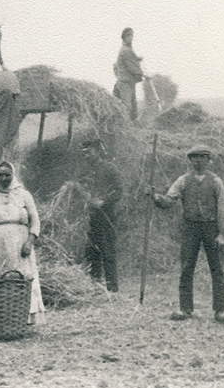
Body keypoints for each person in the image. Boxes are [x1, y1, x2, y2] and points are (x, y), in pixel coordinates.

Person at [152, 144, 224, 324]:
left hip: (211, 228)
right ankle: (185, 308)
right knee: (187, 267)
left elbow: (223, 209)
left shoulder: (216, 182)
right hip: (191, 228)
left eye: (203, 157)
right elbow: (169, 200)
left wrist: (222, 233)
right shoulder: (183, 180)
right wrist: (156, 197)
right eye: (195, 157)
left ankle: (220, 311)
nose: (198, 161)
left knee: (217, 269)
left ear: (209, 160)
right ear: (190, 161)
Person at [0, 161, 46, 325]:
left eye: (7, 175)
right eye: (1, 175)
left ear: (13, 175)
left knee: (21, 279)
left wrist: (30, 242)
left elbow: (35, 222)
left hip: (19, 247)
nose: (4, 178)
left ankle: (21, 317)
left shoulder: (24, 195)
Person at [79, 139, 121, 292]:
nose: (86, 156)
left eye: (89, 152)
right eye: (84, 153)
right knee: (92, 252)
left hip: (106, 216)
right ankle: (95, 287)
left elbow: (118, 191)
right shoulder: (85, 172)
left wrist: (103, 201)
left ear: (97, 151)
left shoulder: (109, 169)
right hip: (89, 218)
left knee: (107, 251)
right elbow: (80, 188)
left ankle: (112, 289)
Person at [113, 27, 144, 121]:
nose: (131, 37)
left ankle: (131, 125)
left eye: (132, 35)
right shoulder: (126, 50)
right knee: (127, 107)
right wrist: (141, 73)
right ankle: (126, 126)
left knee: (132, 108)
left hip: (128, 82)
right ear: (124, 38)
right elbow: (132, 66)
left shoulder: (127, 50)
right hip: (125, 82)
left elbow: (131, 59)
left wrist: (136, 59)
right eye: (128, 35)